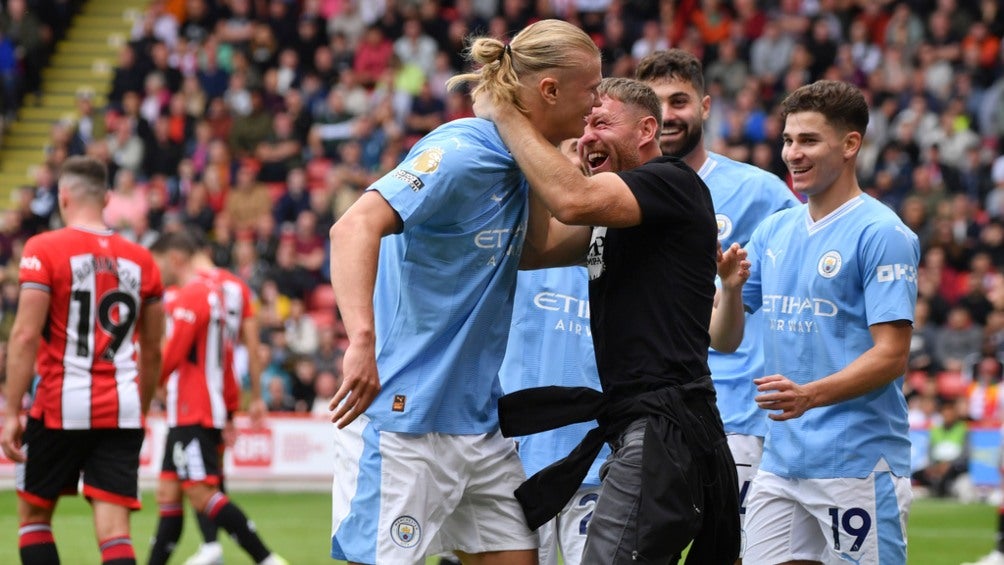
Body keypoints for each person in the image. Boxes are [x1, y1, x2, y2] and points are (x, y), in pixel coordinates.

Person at [326, 19, 602, 565]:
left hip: (477, 422)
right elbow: (352, 227)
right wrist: (360, 337)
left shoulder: (526, 163)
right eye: (591, 88)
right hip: (403, 416)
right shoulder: (461, 152)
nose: (597, 101)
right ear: (548, 90)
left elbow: (539, 251)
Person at [478, 77, 745, 563]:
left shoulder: (672, 180)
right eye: (584, 126)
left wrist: (512, 116)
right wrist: (541, 151)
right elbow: (537, 247)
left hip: (665, 427)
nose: (587, 136)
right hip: (645, 427)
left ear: (647, 129)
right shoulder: (614, 218)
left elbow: (572, 200)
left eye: (600, 122)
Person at [736, 80, 919, 564]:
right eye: (788, 140)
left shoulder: (883, 233)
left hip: (856, 462)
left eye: (809, 141)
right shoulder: (773, 229)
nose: (792, 153)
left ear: (851, 144)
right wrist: (730, 290)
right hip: (782, 457)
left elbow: (892, 356)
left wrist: (808, 395)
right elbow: (724, 334)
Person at [634, 48, 801, 559]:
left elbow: (797, 286)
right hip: (643, 414)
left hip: (732, 414)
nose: (667, 115)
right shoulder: (616, 191)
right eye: (655, 104)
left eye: (679, 100)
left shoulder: (760, 193)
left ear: (705, 106)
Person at [0, 156, 165, 565]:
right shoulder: (143, 260)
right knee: (114, 533)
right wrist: (139, 409)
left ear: (63, 196)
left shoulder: (44, 248)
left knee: (35, 517)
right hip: (122, 408)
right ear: (107, 197)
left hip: (59, 404)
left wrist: (10, 410)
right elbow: (154, 349)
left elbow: (23, 336)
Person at [497, 137, 610, 565]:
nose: (582, 154)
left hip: (597, 457)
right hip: (519, 462)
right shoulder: (519, 247)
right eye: (571, 147)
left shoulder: (620, 246)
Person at [147, 232, 286, 565]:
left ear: (176, 258)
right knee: (168, 492)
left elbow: (172, 355)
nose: (157, 273)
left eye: (159, 264)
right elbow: (233, 352)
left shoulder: (192, 294)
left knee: (201, 491)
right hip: (201, 405)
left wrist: (148, 385)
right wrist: (232, 403)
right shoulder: (224, 292)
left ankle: (266, 559)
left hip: (192, 408)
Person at [182, 233, 268, 565]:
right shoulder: (237, 287)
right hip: (225, 388)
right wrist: (255, 397)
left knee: (191, 479)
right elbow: (252, 344)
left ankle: (225, 549)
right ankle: (213, 546)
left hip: (193, 391)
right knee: (211, 472)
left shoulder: (191, 286)